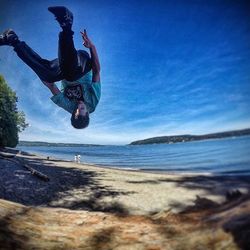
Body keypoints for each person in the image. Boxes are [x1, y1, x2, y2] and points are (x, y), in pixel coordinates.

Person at [0, 6, 101, 129]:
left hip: (64, 66)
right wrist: (91, 47)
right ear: (88, 114)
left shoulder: (69, 107)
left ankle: (12, 40)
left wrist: (42, 72)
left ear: (73, 113)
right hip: (83, 63)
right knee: (70, 74)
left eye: (77, 109)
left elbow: (51, 86)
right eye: (82, 107)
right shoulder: (93, 102)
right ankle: (66, 26)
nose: (79, 104)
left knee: (48, 76)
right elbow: (96, 72)